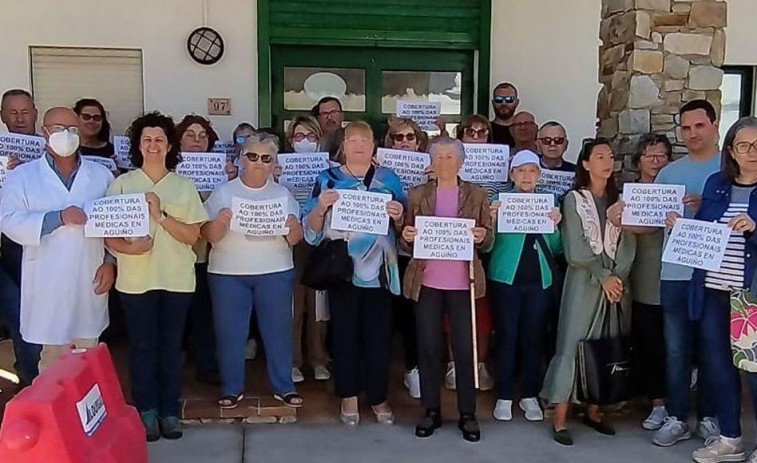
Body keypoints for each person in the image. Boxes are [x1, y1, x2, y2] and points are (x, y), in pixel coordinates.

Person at [105, 112, 208, 441]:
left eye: (159, 140)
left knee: (170, 347)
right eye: (147, 139)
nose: (153, 145)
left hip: (176, 279)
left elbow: (193, 236)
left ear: (169, 146)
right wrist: (129, 251)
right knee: (142, 347)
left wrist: (160, 215)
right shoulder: (122, 184)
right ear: (138, 145)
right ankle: (146, 411)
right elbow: (107, 234)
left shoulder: (183, 186)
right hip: (136, 280)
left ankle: (168, 411)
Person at [302, 120, 405, 427]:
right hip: (343, 271)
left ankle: (377, 397)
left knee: (379, 337)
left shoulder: (389, 179)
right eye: (352, 140)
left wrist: (399, 216)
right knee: (345, 335)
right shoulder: (327, 178)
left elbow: (406, 226)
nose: (359, 145)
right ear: (342, 146)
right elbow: (311, 232)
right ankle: (347, 395)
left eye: (365, 139)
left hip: (381, 272)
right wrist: (320, 207)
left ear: (374, 146)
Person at [0, 107, 115, 371]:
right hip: (47, 279)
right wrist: (57, 218)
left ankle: (85, 412)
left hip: (90, 275)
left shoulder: (101, 175)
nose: (66, 135)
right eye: (58, 128)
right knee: (52, 360)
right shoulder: (23, 176)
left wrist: (110, 261)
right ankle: (53, 412)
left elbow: (115, 223)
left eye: (72, 129)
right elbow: (8, 221)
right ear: (44, 133)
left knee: (89, 355)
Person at [541, 138, 636, 446]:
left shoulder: (620, 201)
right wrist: (602, 275)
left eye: (610, 156)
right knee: (572, 343)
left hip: (615, 287)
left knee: (607, 342)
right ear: (585, 163)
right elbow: (575, 247)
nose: (606, 162)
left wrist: (616, 277)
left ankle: (595, 410)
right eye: (599, 156)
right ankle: (560, 416)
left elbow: (629, 243)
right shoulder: (573, 200)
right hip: (584, 282)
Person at [202, 133, 304, 410]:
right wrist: (221, 221)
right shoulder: (224, 192)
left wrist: (294, 226)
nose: (259, 162)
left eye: (266, 158)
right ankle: (232, 388)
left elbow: (294, 239)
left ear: (274, 163)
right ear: (242, 158)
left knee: (278, 331)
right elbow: (207, 234)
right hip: (227, 272)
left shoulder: (282, 194)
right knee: (230, 334)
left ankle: (284, 387)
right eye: (252, 156)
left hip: (275, 270)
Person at [400, 135, 491, 442]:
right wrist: (407, 236)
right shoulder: (416, 194)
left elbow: (489, 238)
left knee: (465, 349)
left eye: (449, 157)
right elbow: (405, 238)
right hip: (426, 282)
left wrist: (481, 236)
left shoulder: (477, 194)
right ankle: (431, 409)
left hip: (464, 283)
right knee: (428, 347)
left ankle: (467, 412)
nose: (443, 163)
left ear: (461, 161)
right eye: (438, 157)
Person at [680, 117, 757, 463]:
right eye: (744, 145)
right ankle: (730, 438)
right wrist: (681, 227)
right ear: (731, 150)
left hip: (750, 296)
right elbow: (701, 232)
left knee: (754, 372)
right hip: (712, 290)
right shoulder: (716, 184)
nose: (751, 153)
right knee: (718, 366)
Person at [651, 99, 721, 447]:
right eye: (685, 128)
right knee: (676, 349)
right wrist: (622, 216)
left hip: (717, 275)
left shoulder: (732, 168)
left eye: (698, 126)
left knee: (713, 348)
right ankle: (678, 416)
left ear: (714, 125)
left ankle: (710, 416)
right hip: (675, 274)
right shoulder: (669, 174)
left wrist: (706, 206)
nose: (692, 133)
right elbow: (647, 222)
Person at [487, 150, 562, 423]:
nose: (527, 176)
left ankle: (529, 394)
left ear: (539, 175)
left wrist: (555, 225)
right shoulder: (497, 202)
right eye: (521, 171)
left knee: (533, 337)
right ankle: (505, 394)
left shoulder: (550, 203)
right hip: (506, 279)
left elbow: (556, 249)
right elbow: (487, 244)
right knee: (507, 336)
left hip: (539, 281)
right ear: (511, 175)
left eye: (532, 171)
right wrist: (492, 221)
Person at [607, 134, 672, 431]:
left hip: (675, 279)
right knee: (647, 343)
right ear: (638, 162)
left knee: (675, 345)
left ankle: (674, 401)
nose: (656, 162)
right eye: (650, 156)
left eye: (661, 156)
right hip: (640, 281)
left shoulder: (677, 194)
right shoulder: (627, 197)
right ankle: (656, 401)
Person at [283, 116, 331, 384]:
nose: (304, 142)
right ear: (291, 141)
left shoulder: (331, 170)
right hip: (292, 242)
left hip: (321, 242)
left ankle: (318, 358)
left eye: (310, 137)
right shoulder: (279, 167)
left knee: (319, 305)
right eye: (299, 137)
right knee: (293, 305)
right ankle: (293, 362)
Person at [176, 114, 221, 386]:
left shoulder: (218, 172)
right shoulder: (168, 171)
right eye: (190, 135)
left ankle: (206, 365)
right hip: (175, 256)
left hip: (206, 255)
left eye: (202, 135)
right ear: (178, 140)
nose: (197, 140)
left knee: (206, 314)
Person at [0, 89, 41, 385]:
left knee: (41, 317)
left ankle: (42, 382)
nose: (19, 118)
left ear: (36, 114)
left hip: (41, 244)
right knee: (19, 314)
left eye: (24, 111)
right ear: (3, 117)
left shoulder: (53, 151)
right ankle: (30, 380)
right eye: (12, 112)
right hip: (6, 248)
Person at [452, 114, 496, 391]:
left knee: (482, 308)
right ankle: (452, 364)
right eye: (471, 132)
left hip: (489, 245)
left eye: (482, 132)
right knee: (450, 311)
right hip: (449, 245)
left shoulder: (501, 165)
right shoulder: (448, 167)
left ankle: (479, 363)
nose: (477, 137)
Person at [382, 116, 424, 399]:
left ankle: (414, 369)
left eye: (410, 137)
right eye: (399, 137)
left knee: (414, 317)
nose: (405, 142)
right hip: (385, 253)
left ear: (419, 141)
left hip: (418, 255)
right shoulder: (381, 172)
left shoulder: (430, 170)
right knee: (386, 317)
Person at [312, 96, 344, 160]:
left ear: (342, 116)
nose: (329, 117)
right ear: (318, 118)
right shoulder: (312, 141)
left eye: (333, 112)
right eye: (324, 113)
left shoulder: (351, 138)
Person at [489, 82, 518, 147]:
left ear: (517, 102)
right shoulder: (485, 130)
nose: (504, 103)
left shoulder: (524, 130)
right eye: (498, 99)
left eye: (509, 99)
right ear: (493, 103)